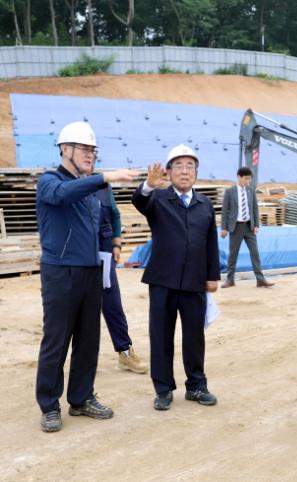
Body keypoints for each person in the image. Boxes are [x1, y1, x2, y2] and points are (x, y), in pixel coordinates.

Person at [36, 121, 139, 432]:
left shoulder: (91, 191)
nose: (90, 154)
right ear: (65, 149)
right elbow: (63, 194)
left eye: (93, 150)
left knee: (88, 339)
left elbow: (102, 224)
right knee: (57, 340)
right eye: (84, 149)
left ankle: (81, 398)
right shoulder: (50, 181)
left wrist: (114, 246)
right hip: (60, 272)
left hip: (91, 271)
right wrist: (104, 177)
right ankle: (49, 404)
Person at [132, 144, 221, 411]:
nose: (184, 171)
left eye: (190, 166)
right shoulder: (158, 199)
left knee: (194, 337)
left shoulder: (204, 204)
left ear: (196, 172)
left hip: (195, 281)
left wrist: (212, 276)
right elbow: (139, 201)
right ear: (169, 172)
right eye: (179, 166)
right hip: (163, 281)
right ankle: (163, 389)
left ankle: (196, 385)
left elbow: (211, 243)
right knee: (161, 336)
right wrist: (148, 185)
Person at [96, 185, 147, 374]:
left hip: (103, 254)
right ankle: (79, 360)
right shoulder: (66, 185)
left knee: (112, 304)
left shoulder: (103, 187)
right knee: (79, 310)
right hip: (76, 257)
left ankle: (125, 352)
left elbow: (115, 215)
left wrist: (116, 243)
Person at [220, 167, 274, 288]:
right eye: (246, 179)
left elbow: (255, 209)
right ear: (239, 177)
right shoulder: (230, 191)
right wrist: (224, 228)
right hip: (236, 227)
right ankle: (230, 280)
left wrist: (256, 225)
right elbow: (225, 211)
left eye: (249, 179)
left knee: (255, 253)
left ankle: (260, 279)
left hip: (249, 227)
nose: (248, 181)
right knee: (233, 254)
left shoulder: (251, 190)